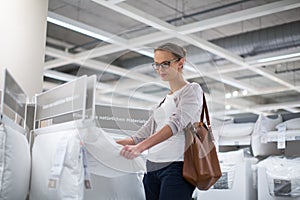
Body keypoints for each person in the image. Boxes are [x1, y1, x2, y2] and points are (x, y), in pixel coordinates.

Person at [116, 42, 203, 200]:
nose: (160, 69)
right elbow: (139, 136)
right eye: (156, 64)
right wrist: (101, 142)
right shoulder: (164, 102)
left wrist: (140, 148)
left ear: (180, 63)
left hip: (177, 167)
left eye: (165, 63)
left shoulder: (192, 90)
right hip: (152, 168)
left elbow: (175, 124)